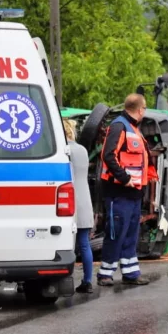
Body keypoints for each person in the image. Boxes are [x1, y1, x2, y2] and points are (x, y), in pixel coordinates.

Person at [97, 94, 150, 286]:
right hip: (119, 192)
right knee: (116, 233)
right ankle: (105, 274)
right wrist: (124, 178)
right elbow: (108, 156)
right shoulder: (119, 127)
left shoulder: (134, 129)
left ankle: (131, 273)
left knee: (130, 234)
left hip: (134, 194)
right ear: (140, 110)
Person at [64, 119, 95, 294]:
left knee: (67, 244)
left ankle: (66, 280)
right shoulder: (82, 150)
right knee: (84, 244)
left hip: (70, 200)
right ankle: (88, 280)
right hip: (84, 200)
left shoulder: (65, 151)